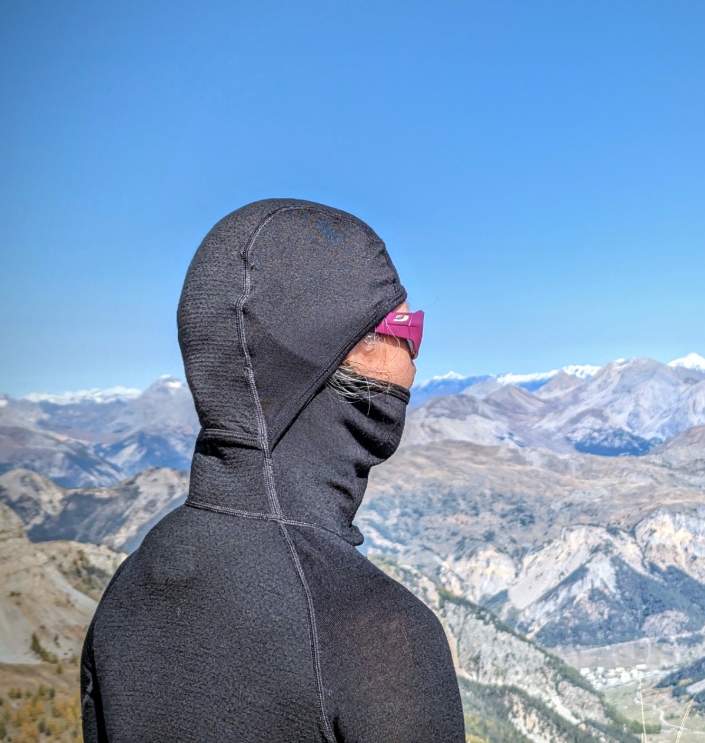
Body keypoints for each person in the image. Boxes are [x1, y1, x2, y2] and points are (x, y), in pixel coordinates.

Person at [80, 199, 465, 742]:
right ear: (333, 351)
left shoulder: (129, 590)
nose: (415, 358)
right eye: (406, 327)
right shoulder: (375, 632)